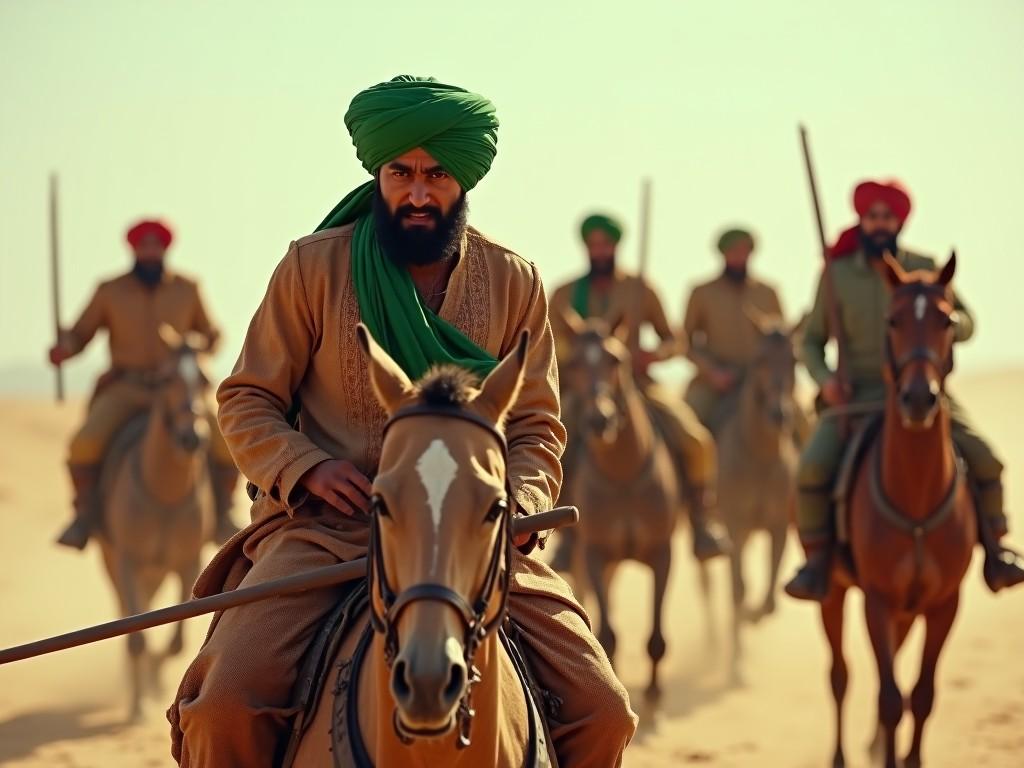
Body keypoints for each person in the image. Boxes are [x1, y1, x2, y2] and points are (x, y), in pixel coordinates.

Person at [168, 76, 637, 767]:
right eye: (402, 173)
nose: (418, 192)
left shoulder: (516, 281)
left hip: (474, 538)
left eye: (436, 174)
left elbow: (536, 426)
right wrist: (308, 468)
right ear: (379, 173)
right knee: (224, 707)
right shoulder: (311, 267)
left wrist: (521, 501)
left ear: (463, 180)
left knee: (604, 712)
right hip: (329, 534)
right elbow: (245, 398)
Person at [784, 179, 1024, 600]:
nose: (879, 223)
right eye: (872, 216)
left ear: (899, 221)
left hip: (924, 391)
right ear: (861, 219)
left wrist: (947, 321)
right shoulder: (836, 275)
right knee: (812, 469)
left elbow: (967, 322)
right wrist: (826, 381)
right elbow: (810, 341)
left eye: (887, 216)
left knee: (985, 458)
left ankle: (997, 550)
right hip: (857, 398)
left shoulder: (927, 267)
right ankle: (817, 563)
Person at [49, 220, 239, 550]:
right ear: (134, 249)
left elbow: (212, 333)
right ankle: (84, 516)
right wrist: (65, 347)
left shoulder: (187, 288)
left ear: (165, 249)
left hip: (178, 389)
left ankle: (223, 514)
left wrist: (200, 344)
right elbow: (81, 333)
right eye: (144, 245)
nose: (150, 251)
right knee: (84, 443)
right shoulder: (110, 290)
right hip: (127, 387)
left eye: (156, 245)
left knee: (226, 443)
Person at [549, 213, 728, 561]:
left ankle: (701, 520)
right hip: (584, 391)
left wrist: (654, 354)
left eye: (606, 244)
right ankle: (565, 534)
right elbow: (551, 347)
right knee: (555, 445)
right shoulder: (565, 294)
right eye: (593, 244)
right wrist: (582, 359)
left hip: (639, 386)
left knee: (696, 440)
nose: (600, 251)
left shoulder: (639, 289)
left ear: (616, 246)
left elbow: (674, 339)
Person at [682, 228, 786, 434]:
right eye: (734, 251)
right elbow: (684, 342)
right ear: (723, 254)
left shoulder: (768, 292)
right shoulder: (702, 293)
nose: (739, 256)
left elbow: (781, 341)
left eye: (744, 250)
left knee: (802, 424)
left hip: (762, 383)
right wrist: (712, 372)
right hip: (716, 384)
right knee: (688, 428)